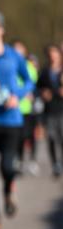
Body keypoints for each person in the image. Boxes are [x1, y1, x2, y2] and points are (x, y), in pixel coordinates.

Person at [0, 10, 32, 229]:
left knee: (8, 167)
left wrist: (17, 96)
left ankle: (9, 189)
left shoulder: (14, 56)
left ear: (2, 29)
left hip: (11, 119)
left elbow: (29, 81)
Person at [12, 39, 39, 175]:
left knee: (29, 136)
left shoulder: (29, 67)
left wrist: (29, 93)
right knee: (18, 137)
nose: (17, 52)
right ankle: (19, 161)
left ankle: (32, 160)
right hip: (13, 108)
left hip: (28, 109)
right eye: (15, 49)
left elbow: (33, 84)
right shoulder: (9, 64)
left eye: (20, 49)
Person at [37, 44, 63, 176]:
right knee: (52, 139)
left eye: (55, 53)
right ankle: (55, 163)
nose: (53, 56)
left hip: (62, 110)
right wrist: (42, 92)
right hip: (49, 111)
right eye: (50, 54)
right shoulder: (44, 71)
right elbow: (37, 88)